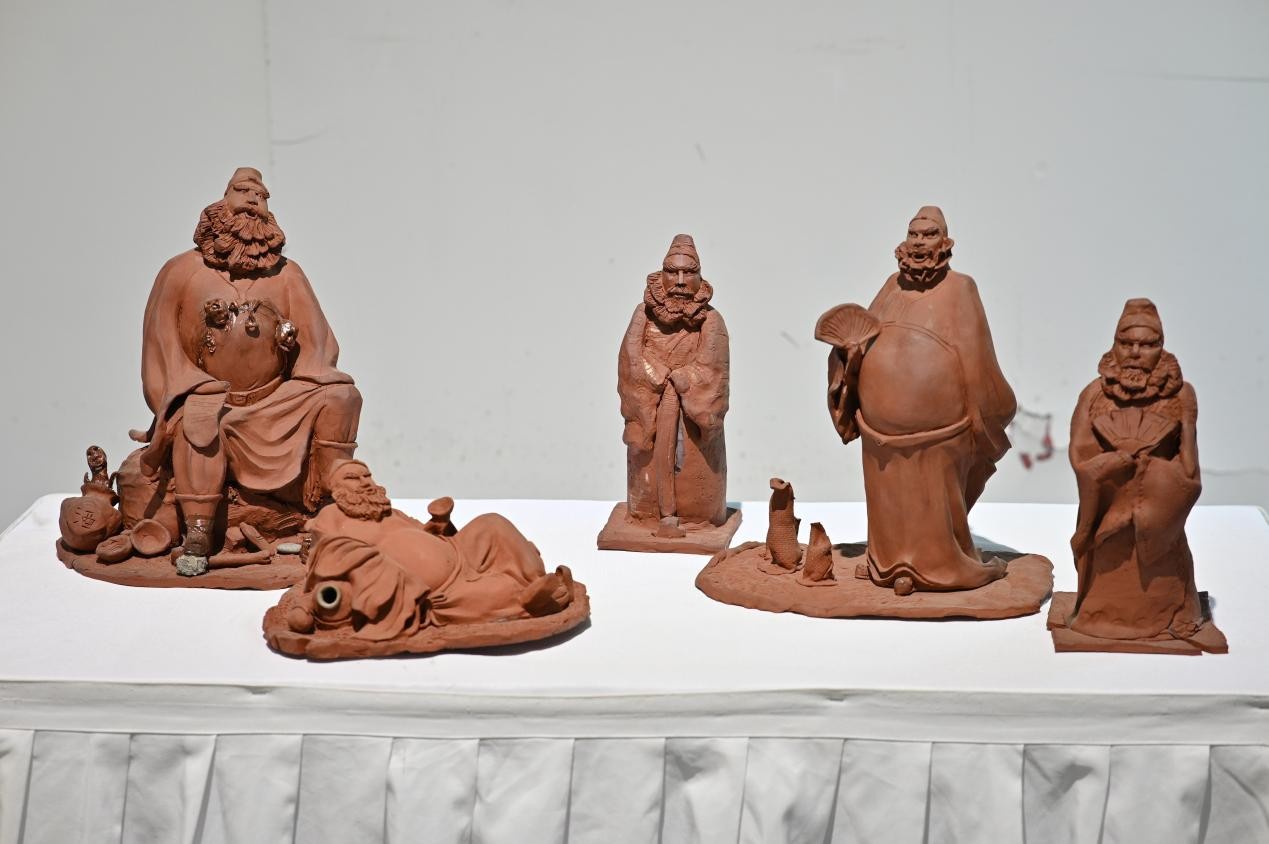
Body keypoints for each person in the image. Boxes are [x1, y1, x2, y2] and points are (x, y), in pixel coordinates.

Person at [134, 168, 361, 565]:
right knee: (197, 421)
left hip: (276, 401)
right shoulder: (181, 272)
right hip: (211, 398)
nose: (254, 201)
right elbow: (160, 344)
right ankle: (199, 529)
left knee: (342, 397)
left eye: (262, 197)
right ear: (222, 202)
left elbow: (320, 345)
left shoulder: (288, 275)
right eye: (243, 192)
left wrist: (292, 348)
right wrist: (189, 389)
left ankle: (331, 505)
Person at [819, 207, 1015, 592]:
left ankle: (939, 568)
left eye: (929, 234)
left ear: (945, 241)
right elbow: (865, 336)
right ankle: (887, 565)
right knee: (889, 500)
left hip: (941, 428)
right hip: (880, 430)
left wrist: (988, 410)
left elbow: (978, 355)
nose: (919, 243)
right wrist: (849, 355)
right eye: (914, 234)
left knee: (933, 502)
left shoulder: (961, 288)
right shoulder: (890, 286)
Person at [295, 460, 575, 639]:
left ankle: (539, 581)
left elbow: (424, 534)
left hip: (457, 552)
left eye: (367, 475)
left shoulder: (389, 511)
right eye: (354, 478)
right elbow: (327, 557)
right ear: (336, 488)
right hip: (427, 588)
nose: (365, 482)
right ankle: (530, 599)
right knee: (489, 593)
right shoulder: (331, 517)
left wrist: (439, 523)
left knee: (492, 523)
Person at [1066, 299, 1203, 640]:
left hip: (1156, 511)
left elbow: (1189, 471)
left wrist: (1153, 470)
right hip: (1109, 505)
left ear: (1161, 347)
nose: (1135, 353)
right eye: (1126, 343)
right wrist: (1110, 464)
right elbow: (1080, 454)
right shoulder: (1095, 394)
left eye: (1147, 344)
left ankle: (1168, 611)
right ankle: (1098, 612)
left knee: (1159, 568)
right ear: (1114, 344)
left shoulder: (1181, 395)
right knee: (1108, 569)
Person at [617, 234, 729, 537]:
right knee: (648, 473)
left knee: (695, 479)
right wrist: (656, 376)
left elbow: (714, 367)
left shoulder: (711, 320)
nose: (680, 281)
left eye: (688, 272)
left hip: (692, 416)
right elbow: (630, 356)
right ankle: (650, 515)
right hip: (651, 411)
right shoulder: (643, 315)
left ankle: (696, 519)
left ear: (699, 277)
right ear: (661, 275)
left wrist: (685, 379)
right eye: (672, 271)